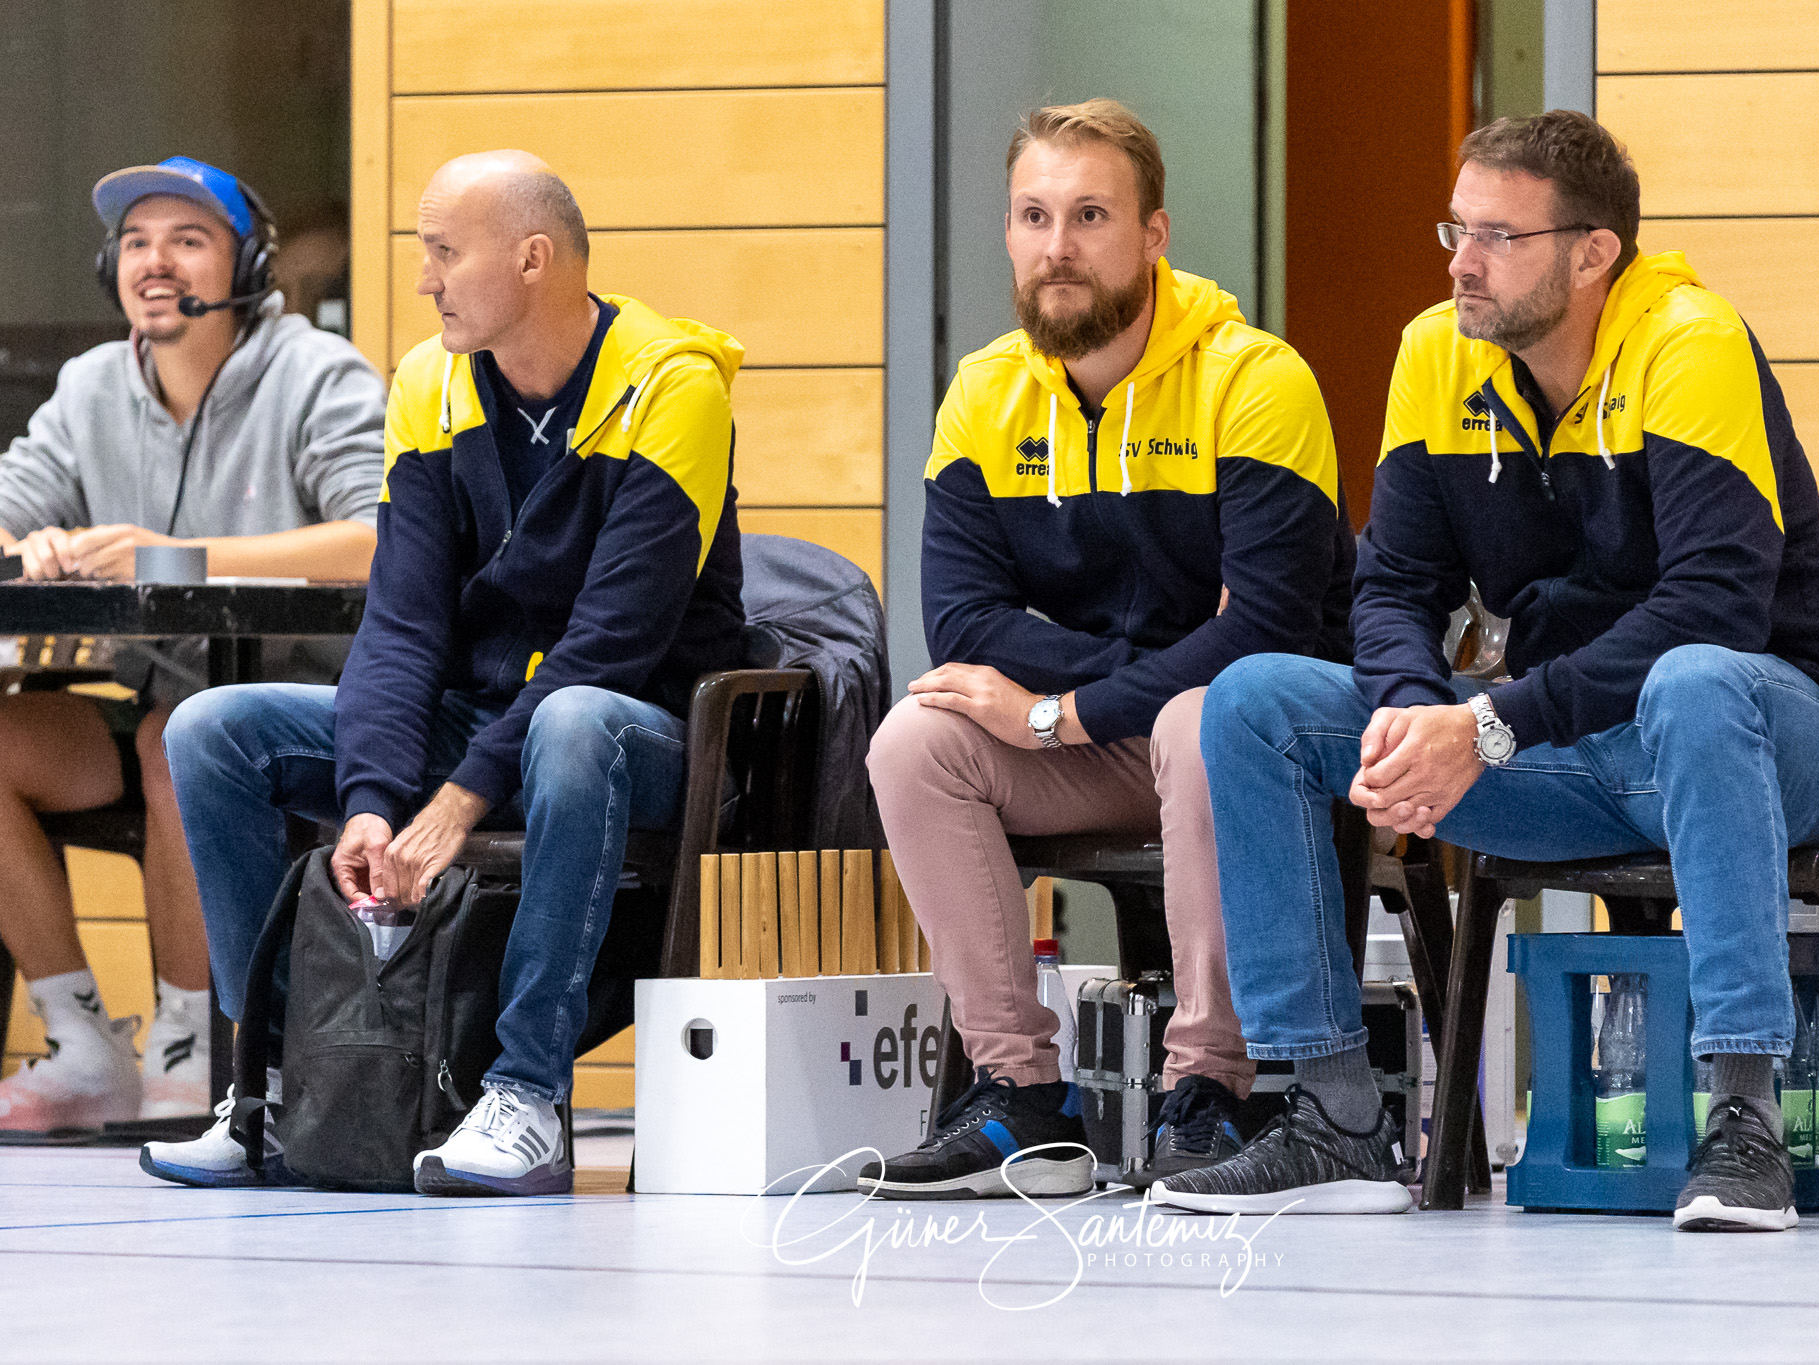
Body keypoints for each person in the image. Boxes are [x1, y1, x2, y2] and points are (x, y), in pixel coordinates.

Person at [1155, 111, 1819, 1231]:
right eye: (1455, 228)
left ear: (1593, 253)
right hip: (1564, 750)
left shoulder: (1690, 342)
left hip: (1770, 740)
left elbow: (1713, 608)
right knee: (1252, 703)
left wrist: (1483, 727)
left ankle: (1742, 1121)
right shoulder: (1435, 349)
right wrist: (1408, 717)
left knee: (1689, 678)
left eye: (1496, 236)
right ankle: (1336, 1118)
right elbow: (1391, 586)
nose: (1459, 261)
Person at [141, 150, 747, 1195]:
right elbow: (402, 624)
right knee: (210, 730)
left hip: (641, 732)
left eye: (441, 252)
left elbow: (612, 644)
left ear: (530, 259)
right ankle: (281, 1086)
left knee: (573, 721)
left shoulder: (673, 384)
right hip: (487, 718)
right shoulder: (427, 382)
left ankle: (526, 1096)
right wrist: (374, 797)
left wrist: (460, 797)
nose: (422, 279)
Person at [859, 99, 1354, 1201]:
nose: (1056, 246)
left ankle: (1209, 1088)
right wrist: (1157, 654)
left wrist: (1059, 704)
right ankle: (1017, 1099)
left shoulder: (1255, 380)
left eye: (1089, 215)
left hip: (1246, 757)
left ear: (1154, 235)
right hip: (1102, 746)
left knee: (1202, 713)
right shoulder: (983, 393)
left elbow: (1262, 635)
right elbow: (965, 626)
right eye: (1033, 216)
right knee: (916, 739)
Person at [0, 156, 384, 1139]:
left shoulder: (315, 371)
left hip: (312, 717)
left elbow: (376, 533)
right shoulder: (90, 385)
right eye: (135, 242)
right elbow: (6, 508)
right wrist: (28, 542)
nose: (154, 261)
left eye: (187, 239)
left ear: (248, 264)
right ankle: (84, 1043)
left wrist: (177, 557)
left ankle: (193, 1042)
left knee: (181, 739)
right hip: (149, 704)